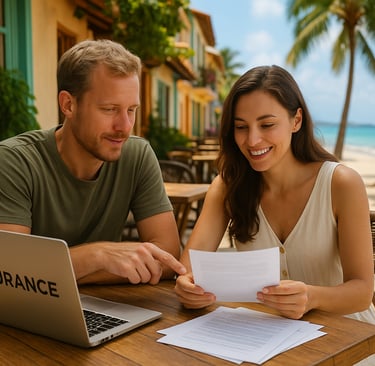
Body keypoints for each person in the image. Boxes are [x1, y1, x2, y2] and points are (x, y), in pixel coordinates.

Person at [175, 65, 375, 324]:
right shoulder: (227, 186)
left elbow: (362, 292)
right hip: (271, 338)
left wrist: (312, 297)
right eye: (241, 127)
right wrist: (187, 287)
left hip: (351, 337)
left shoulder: (341, 184)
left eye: (267, 124)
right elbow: (188, 270)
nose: (253, 140)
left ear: (296, 121)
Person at [0, 39, 186, 285]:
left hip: (107, 307)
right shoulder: (14, 161)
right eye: (109, 109)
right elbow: (10, 269)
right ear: (68, 104)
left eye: (131, 110)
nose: (124, 127)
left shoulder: (137, 155)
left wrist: (58, 272)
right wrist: (96, 256)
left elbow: (169, 257)